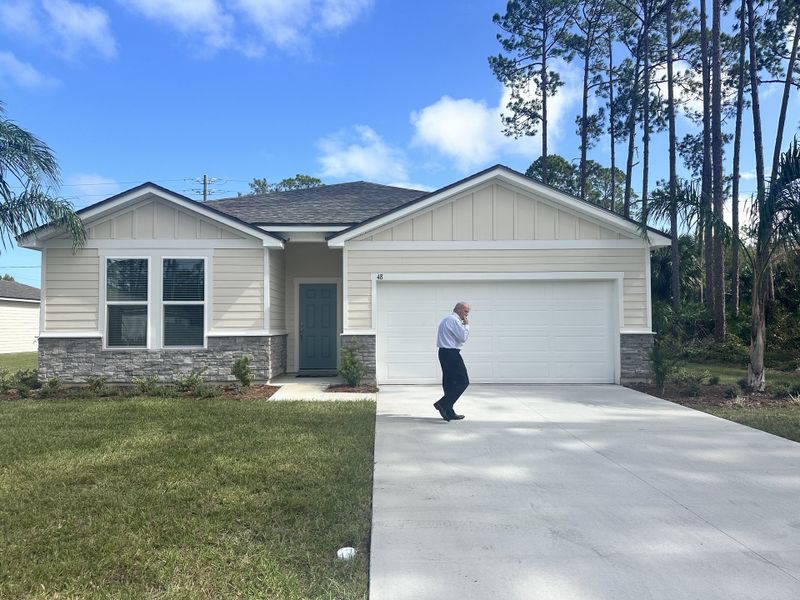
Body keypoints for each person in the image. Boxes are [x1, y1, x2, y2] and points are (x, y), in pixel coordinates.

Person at [434, 301, 470, 421]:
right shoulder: (453, 320)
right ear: (459, 309)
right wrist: (467, 325)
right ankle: (443, 403)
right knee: (463, 381)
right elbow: (463, 338)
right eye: (466, 311)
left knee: (449, 383)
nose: (467, 314)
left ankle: (449, 411)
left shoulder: (447, 319)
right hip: (451, 353)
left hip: (444, 353)